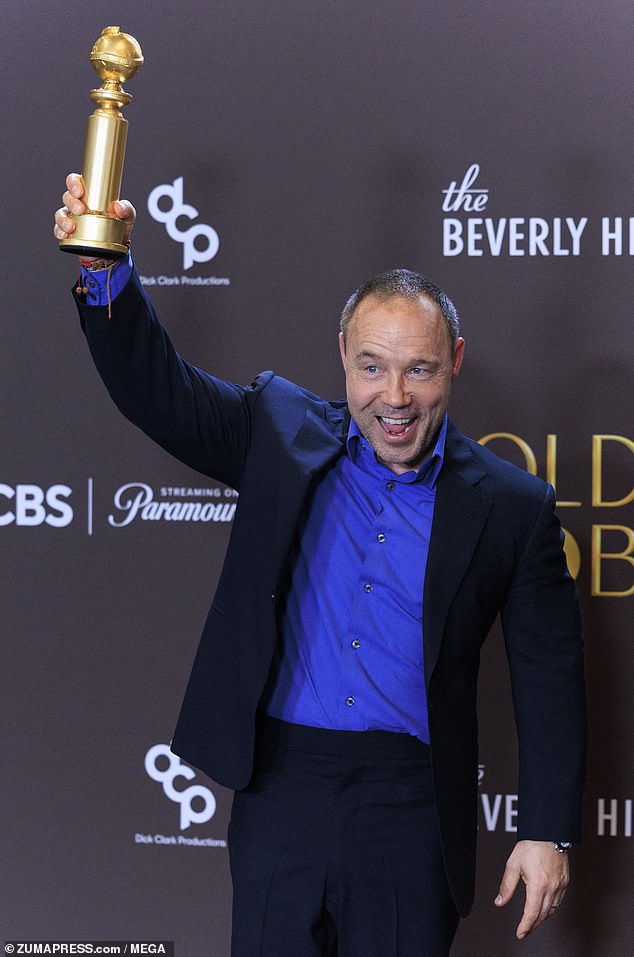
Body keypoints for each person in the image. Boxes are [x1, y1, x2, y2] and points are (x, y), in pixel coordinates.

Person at [55, 174, 586, 957]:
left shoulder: (513, 505)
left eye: (421, 369)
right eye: (373, 366)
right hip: (280, 791)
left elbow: (549, 677)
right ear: (342, 356)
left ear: (456, 362)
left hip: (410, 805)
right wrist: (103, 263)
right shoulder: (278, 431)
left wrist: (545, 830)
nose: (395, 397)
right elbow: (155, 390)